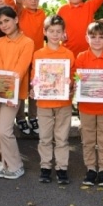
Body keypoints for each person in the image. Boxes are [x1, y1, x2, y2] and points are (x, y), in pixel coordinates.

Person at [0, 6, 33, 180]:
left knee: (5, 130)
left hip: (14, 93)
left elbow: (20, 70)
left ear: (16, 19)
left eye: (7, 20)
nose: (4, 25)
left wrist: (10, 93)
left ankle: (16, 165)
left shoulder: (27, 42)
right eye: (0, 23)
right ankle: (1, 163)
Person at [75, 21, 103, 187]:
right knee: (87, 139)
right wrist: (76, 82)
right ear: (87, 38)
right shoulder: (81, 57)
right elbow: (77, 80)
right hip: (86, 107)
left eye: (101, 37)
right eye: (93, 36)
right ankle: (90, 169)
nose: (97, 40)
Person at [32, 15, 75, 184]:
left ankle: (62, 168)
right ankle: (45, 167)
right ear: (45, 32)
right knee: (44, 137)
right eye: (51, 31)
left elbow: (72, 77)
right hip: (44, 103)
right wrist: (34, 87)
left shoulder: (69, 54)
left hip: (63, 103)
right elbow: (36, 77)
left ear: (64, 33)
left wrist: (70, 84)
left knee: (62, 138)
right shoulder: (38, 54)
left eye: (59, 31)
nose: (55, 35)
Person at [11, 0, 47, 136]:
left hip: (38, 56)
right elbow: (17, 0)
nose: (33, 1)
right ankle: (20, 117)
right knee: (21, 88)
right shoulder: (21, 12)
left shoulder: (42, 14)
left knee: (35, 86)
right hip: (21, 55)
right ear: (24, 1)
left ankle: (33, 117)